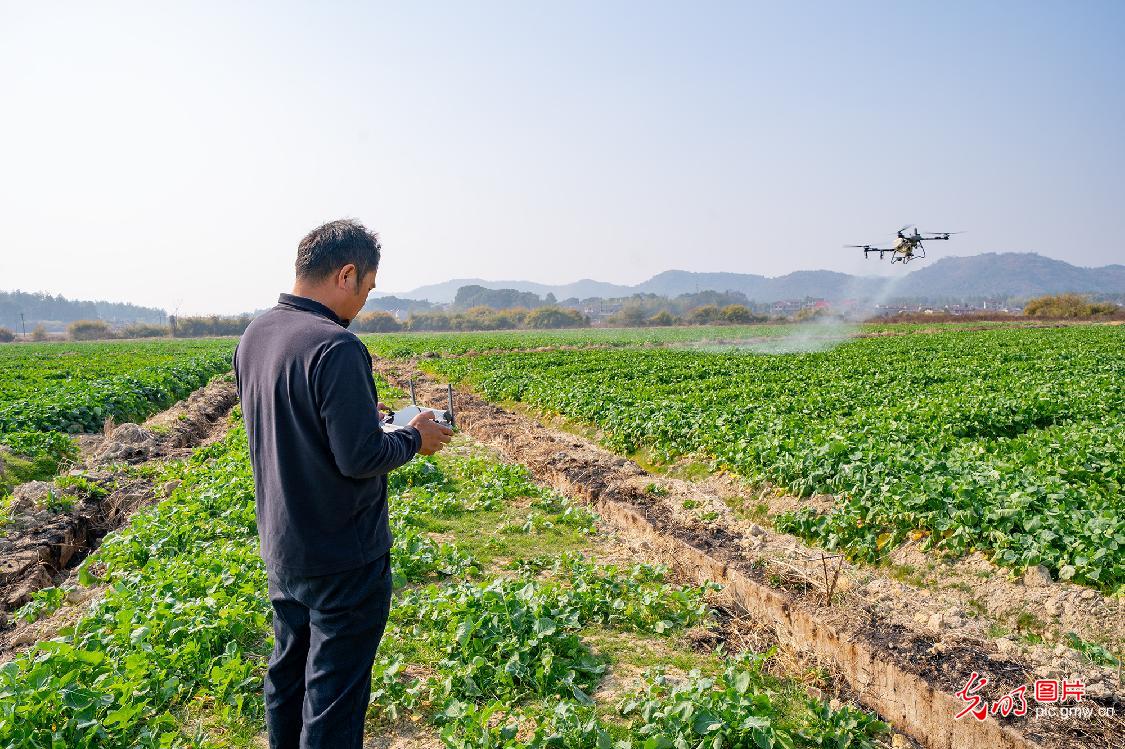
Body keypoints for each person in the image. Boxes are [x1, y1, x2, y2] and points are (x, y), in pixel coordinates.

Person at [232, 219, 453, 749]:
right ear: (347, 274)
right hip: (343, 556)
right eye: (368, 289)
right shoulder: (336, 346)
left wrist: (361, 419)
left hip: (285, 545)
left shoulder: (256, 335)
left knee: (288, 676)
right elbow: (360, 458)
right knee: (334, 700)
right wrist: (414, 437)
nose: (364, 303)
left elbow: (298, 422)